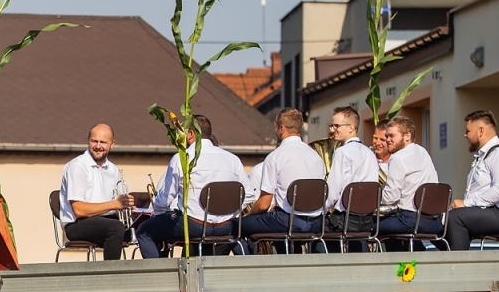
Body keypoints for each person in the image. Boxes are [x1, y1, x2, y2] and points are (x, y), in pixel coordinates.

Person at [135, 116, 249, 259]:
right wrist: (229, 215)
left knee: (144, 231)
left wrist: (159, 215)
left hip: (192, 226)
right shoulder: (232, 159)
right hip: (226, 227)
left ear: (190, 134)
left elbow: (165, 199)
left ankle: (160, 277)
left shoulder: (182, 158)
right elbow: (248, 194)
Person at [238, 108, 327, 246]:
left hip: (288, 222)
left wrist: (248, 217)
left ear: (281, 128)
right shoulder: (316, 156)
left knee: (237, 225)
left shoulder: (275, 157)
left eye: (275, 126)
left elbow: (263, 204)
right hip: (316, 223)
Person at [446, 110, 499, 250]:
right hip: (490, 211)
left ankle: (459, 267)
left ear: (480, 131)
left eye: (468, 131)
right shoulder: (484, 156)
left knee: (455, 218)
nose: (465, 135)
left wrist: (467, 204)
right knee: (440, 221)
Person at [58, 123, 133, 261]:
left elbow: (116, 204)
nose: (98, 146)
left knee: (140, 228)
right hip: (77, 224)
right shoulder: (77, 166)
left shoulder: (113, 170)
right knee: (116, 228)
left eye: (103, 142)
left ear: (112, 144)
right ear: (88, 140)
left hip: (103, 221)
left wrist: (127, 205)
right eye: (94, 141)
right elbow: (79, 210)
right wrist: (115, 204)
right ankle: (110, 275)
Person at [376, 116, 444, 247]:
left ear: (407, 136)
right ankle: (416, 257)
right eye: (386, 136)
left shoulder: (397, 159)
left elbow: (390, 197)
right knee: (394, 231)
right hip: (433, 221)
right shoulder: (423, 152)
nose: (387, 140)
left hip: (409, 219)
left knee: (365, 226)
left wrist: (372, 201)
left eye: (391, 136)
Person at [323, 105, 381, 240]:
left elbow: (333, 191)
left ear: (351, 127)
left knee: (315, 230)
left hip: (345, 220)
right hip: (366, 220)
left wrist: (320, 210)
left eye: (337, 126)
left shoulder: (342, 152)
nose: (333, 130)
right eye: (332, 126)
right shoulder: (369, 153)